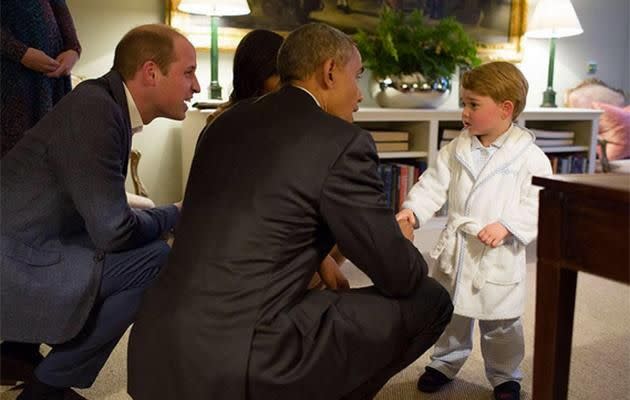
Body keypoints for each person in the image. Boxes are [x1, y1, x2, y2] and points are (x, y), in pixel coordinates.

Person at [127, 22, 453, 400]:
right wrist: (402, 241)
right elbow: (399, 275)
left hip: (156, 345)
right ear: (330, 71)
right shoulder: (343, 142)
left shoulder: (222, 122)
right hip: (241, 361)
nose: (359, 94)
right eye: (357, 76)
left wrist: (319, 259)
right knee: (430, 299)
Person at [0, 24, 200, 400]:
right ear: (151, 72)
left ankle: (17, 355)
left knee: (145, 249)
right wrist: (175, 212)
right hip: (17, 258)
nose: (197, 87)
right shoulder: (97, 110)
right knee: (156, 259)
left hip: (31, 243)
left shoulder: (103, 104)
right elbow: (113, 230)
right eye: (188, 72)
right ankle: (46, 388)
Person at [396, 61, 553, 400]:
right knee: (451, 313)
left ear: (505, 109)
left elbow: (539, 201)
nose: (464, 112)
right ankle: (445, 362)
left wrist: (507, 226)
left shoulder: (530, 157)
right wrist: (413, 211)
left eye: (473, 104)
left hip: (498, 253)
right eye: (463, 103)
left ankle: (505, 375)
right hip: (458, 249)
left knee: (501, 323)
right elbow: (432, 185)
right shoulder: (456, 149)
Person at [0, 0, 81, 158]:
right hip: (10, 78)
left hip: (51, 81)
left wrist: (73, 49)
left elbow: (59, 6)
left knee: (51, 155)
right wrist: (21, 53)